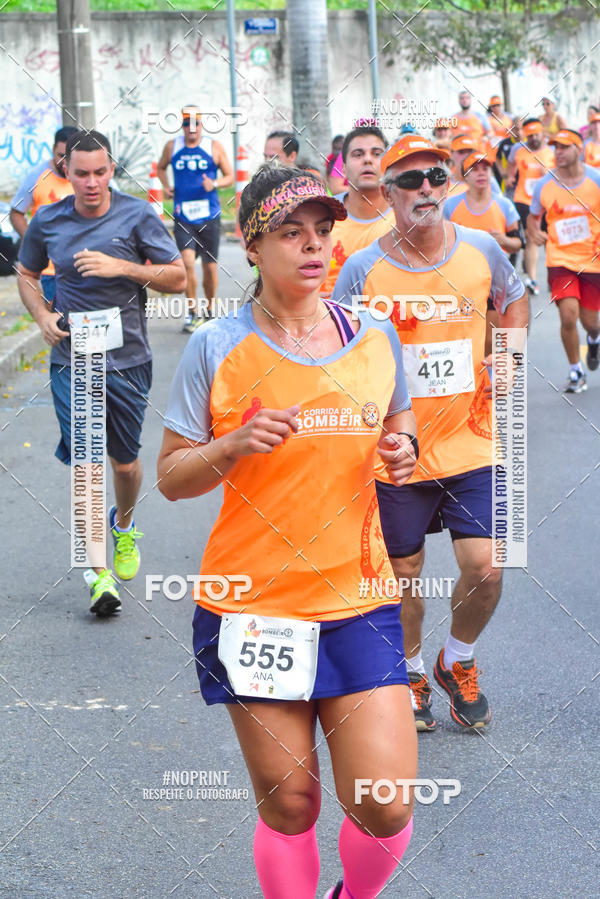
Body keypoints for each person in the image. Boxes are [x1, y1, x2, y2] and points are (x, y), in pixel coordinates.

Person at [158, 163, 418, 898]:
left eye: (323, 231)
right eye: (290, 232)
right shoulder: (217, 346)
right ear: (252, 246)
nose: (313, 246)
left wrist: (402, 453)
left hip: (358, 596)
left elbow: (399, 440)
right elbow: (174, 476)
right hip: (254, 604)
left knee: (385, 798)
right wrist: (232, 444)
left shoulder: (373, 336)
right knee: (292, 800)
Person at [332, 134, 529, 732]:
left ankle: (457, 660)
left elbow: (514, 300)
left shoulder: (481, 249)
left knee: (487, 567)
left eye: (435, 179)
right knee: (404, 577)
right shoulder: (364, 267)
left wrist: (509, 357)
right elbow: (337, 341)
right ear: (386, 192)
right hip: (398, 452)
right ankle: (412, 670)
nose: (426, 190)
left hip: (472, 440)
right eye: (411, 181)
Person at [17, 129, 186, 615]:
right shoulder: (48, 220)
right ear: (65, 172)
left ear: (111, 171)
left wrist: (122, 267)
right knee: (89, 468)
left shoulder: (136, 214)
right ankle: (97, 573)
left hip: (129, 358)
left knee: (126, 465)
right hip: (75, 359)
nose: (91, 183)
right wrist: (44, 317)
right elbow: (27, 276)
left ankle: (125, 525)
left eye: (100, 173)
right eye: (81, 173)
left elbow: (177, 278)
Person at [528, 129, 600, 393]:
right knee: (568, 316)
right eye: (555, 147)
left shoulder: (596, 180)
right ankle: (576, 370)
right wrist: (533, 231)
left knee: (590, 322)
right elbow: (533, 217)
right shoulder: (543, 185)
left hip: (593, 261)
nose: (557, 151)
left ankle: (594, 339)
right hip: (559, 259)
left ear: (578, 149)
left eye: (564, 147)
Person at [157, 105, 233, 332]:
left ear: (201, 125)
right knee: (187, 262)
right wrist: (166, 186)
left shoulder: (214, 147)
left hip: (209, 215)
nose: (191, 128)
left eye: (195, 123)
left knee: (210, 268)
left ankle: (209, 310)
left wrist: (215, 184)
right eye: (186, 123)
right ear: (181, 126)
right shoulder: (172, 147)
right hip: (183, 215)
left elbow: (229, 176)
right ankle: (192, 313)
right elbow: (161, 168)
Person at [444, 150, 523, 355]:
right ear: (465, 176)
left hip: (493, 281)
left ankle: (490, 381)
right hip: (459, 281)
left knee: (490, 339)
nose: (481, 173)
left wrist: (504, 240)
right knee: (462, 338)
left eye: (485, 168)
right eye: (474, 169)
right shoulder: (450, 206)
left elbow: (518, 243)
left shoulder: (504, 205)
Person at [320, 124, 394, 298]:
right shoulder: (323, 218)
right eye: (358, 154)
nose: (367, 160)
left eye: (376, 154)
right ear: (343, 169)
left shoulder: (407, 220)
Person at [9, 126, 78, 302]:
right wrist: (34, 244)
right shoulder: (37, 176)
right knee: (60, 324)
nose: (64, 162)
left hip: (84, 267)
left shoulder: (86, 175)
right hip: (51, 272)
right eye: (60, 155)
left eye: (69, 157)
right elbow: (16, 213)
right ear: (52, 149)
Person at [505, 118, 555, 295]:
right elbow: (510, 164)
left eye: (536, 135)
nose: (533, 138)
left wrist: (549, 174)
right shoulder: (518, 150)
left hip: (548, 202)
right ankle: (533, 280)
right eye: (530, 135)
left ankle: (553, 277)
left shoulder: (552, 151)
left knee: (550, 239)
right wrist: (510, 176)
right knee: (532, 238)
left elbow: (562, 176)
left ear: (542, 133)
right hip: (524, 199)